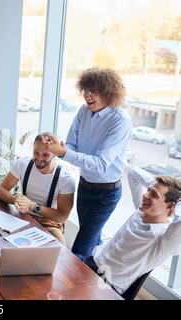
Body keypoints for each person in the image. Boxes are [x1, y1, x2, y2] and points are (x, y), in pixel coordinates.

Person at [43, 68, 132, 260]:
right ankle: (95, 277)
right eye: (85, 90)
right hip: (84, 186)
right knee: (92, 237)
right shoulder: (84, 111)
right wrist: (60, 147)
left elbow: (101, 164)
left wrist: (64, 152)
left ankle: (71, 285)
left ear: (109, 93)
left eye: (94, 91)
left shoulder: (120, 120)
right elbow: (72, 144)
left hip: (106, 193)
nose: (87, 95)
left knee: (81, 248)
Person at [85, 166, 181, 295]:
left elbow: (178, 222)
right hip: (91, 264)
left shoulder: (163, 240)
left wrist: (177, 198)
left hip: (107, 287)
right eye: (148, 190)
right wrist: (156, 186)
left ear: (170, 206)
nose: (145, 195)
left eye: (153, 195)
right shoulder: (140, 211)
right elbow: (133, 172)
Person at [0, 133, 76, 244]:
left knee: (61, 249)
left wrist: (33, 206)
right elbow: (2, 190)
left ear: (54, 154)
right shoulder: (22, 164)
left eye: (45, 155)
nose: (39, 158)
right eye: (36, 153)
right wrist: (16, 199)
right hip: (22, 216)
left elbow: (62, 217)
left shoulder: (66, 179)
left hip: (49, 223)